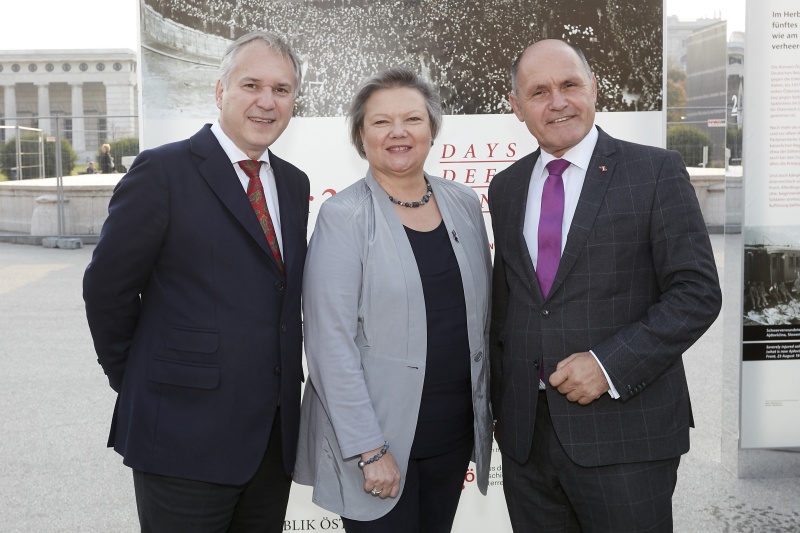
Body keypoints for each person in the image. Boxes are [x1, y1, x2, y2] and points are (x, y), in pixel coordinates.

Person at [488, 39, 722, 532]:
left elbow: (696, 292)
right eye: (539, 91)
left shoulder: (654, 172)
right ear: (516, 106)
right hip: (527, 442)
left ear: (594, 88)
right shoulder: (506, 187)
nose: (558, 101)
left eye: (570, 84)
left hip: (627, 438)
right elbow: (508, 309)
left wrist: (608, 364)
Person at [83, 31, 309, 532]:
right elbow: (107, 291)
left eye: (282, 89)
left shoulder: (293, 183)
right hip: (182, 436)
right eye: (251, 85)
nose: (266, 102)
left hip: (271, 444)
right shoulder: (162, 171)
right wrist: (145, 380)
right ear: (220, 90)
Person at [294, 67, 493, 532]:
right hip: (377, 445)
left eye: (413, 119)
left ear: (432, 129)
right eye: (381, 122)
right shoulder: (343, 217)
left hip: (453, 435)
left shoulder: (464, 203)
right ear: (361, 136)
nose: (398, 132)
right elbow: (330, 347)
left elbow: (482, 321)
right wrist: (370, 449)